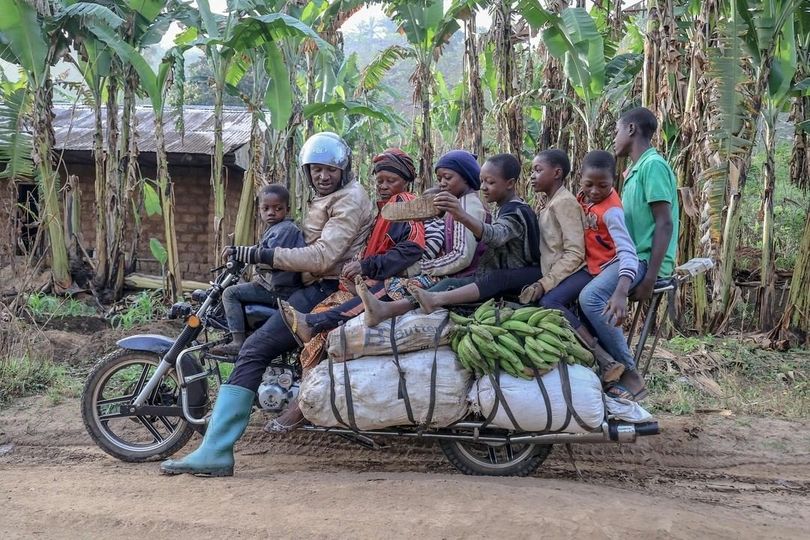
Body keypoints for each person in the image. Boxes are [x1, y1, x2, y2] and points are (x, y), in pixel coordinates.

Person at [160, 132, 374, 477]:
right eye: (315, 169)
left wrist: (261, 254)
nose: (322, 176)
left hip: (328, 288)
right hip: (313, 285)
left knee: (254, 350)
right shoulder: (331, 197)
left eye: (330, 169)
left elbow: (323, 256)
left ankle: (216, 451)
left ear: (344, 168)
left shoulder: (348, 199)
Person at [578, 107, 679, 401]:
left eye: (617, 131)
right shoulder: (632, 172)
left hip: (643, 261)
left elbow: (665, 222)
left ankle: (631, 375)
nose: (614, 138)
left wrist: (649, 277)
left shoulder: (652, 166)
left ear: (631, 129)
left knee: (591, 297)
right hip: (628, 259)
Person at [277, 148, 425, 346]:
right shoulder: (384, 209)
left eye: (391, 181)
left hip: (390, 281)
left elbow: (412, 248)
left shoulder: (404, 203)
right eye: (380, 180)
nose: (383, 186)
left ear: (406, 182)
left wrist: (366, 266)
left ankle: (314, 324)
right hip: (372, 278)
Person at [527, 150, 638, 383]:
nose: (594, 191)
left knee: (552, 301)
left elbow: (626, 251)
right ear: (580, 179)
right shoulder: (580, 198)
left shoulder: (611, 211)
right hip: (589, 266)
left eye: (603, 186)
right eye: (589, 185)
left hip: (598, 268)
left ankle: (609, 360)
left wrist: (622, 288)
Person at [357, 149, 489, 326]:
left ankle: (385, 309)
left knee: (416, 285)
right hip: (456, 272)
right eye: (440, 178)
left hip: (467, 275)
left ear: (465, 177)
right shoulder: (457, 205)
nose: (442, 183)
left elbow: (461, 256)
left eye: (447, 178)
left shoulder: (467, 205)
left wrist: (423, 267)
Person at [400, 153, 542, 312]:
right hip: (499, 276)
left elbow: (496, 236)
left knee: (451, 285)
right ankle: (390, 308)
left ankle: (398, 308)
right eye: (482, 181)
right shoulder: (505, 208)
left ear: (510, 184)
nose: (483, 187)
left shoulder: (515, 212)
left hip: (513, 278)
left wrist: (461, 215)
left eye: (490, 182)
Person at [211, 185, 305, 356]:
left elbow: (269, 256)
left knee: (230, 293)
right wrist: (240, 251)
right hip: (274, 285)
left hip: (279, 289)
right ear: (259, 210)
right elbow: (259, 249)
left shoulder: (285, 229)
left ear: (287, 209)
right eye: (266, 208)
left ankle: (238, 341)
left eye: (278, 209)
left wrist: (242, 253)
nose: (271, 212)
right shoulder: (275, 229)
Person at [520, 149, 586, 311]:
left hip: (565, 274)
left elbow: (575, 253)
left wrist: (545, 283)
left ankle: (588, 338)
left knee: (549, 303)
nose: (532, 176)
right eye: (532, 171)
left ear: (557, 173)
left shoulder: (564, 202)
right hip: (550, 270)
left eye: (538, 170)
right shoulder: (550, 203)